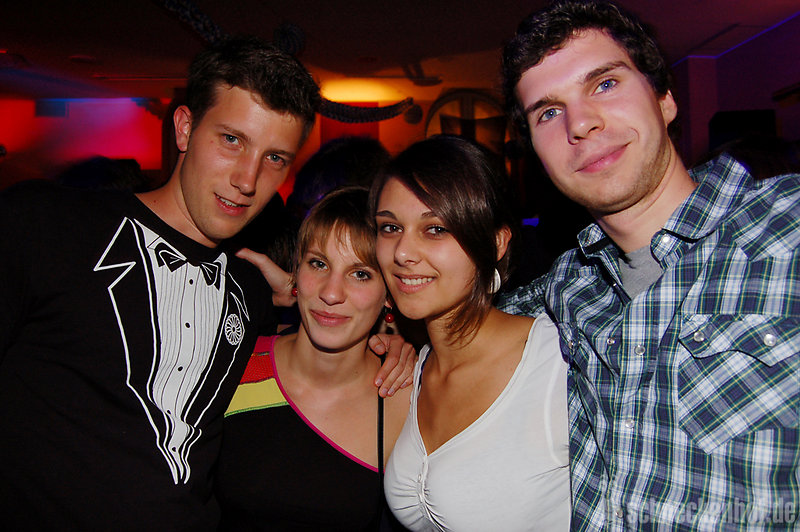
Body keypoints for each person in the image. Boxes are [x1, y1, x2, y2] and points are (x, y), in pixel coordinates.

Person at [0, 36, 411, 530]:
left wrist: (386, 332)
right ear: (185, 127)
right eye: (232, 140)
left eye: (275, 158)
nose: (247, 179)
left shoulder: (249, 292)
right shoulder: (46, 224)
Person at [499, 1, 800, 529]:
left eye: (604, 84)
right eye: (547, 112)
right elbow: (463, 316)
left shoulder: (787, 228)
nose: (580, 123)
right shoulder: (570, 284)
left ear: (664, 98)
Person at [375, 135, 570, 531]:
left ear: (496, 243)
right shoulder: (418, 365)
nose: (402, 253)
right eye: (390, 227)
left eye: (435, 229)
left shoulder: (557, 361)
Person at [216, 187, 411, 531]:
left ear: (390, 295)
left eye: (360, 273)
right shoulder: (235, 362)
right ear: (296, 271)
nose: (331, 293)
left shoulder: (404, 398)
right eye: (318, 264)